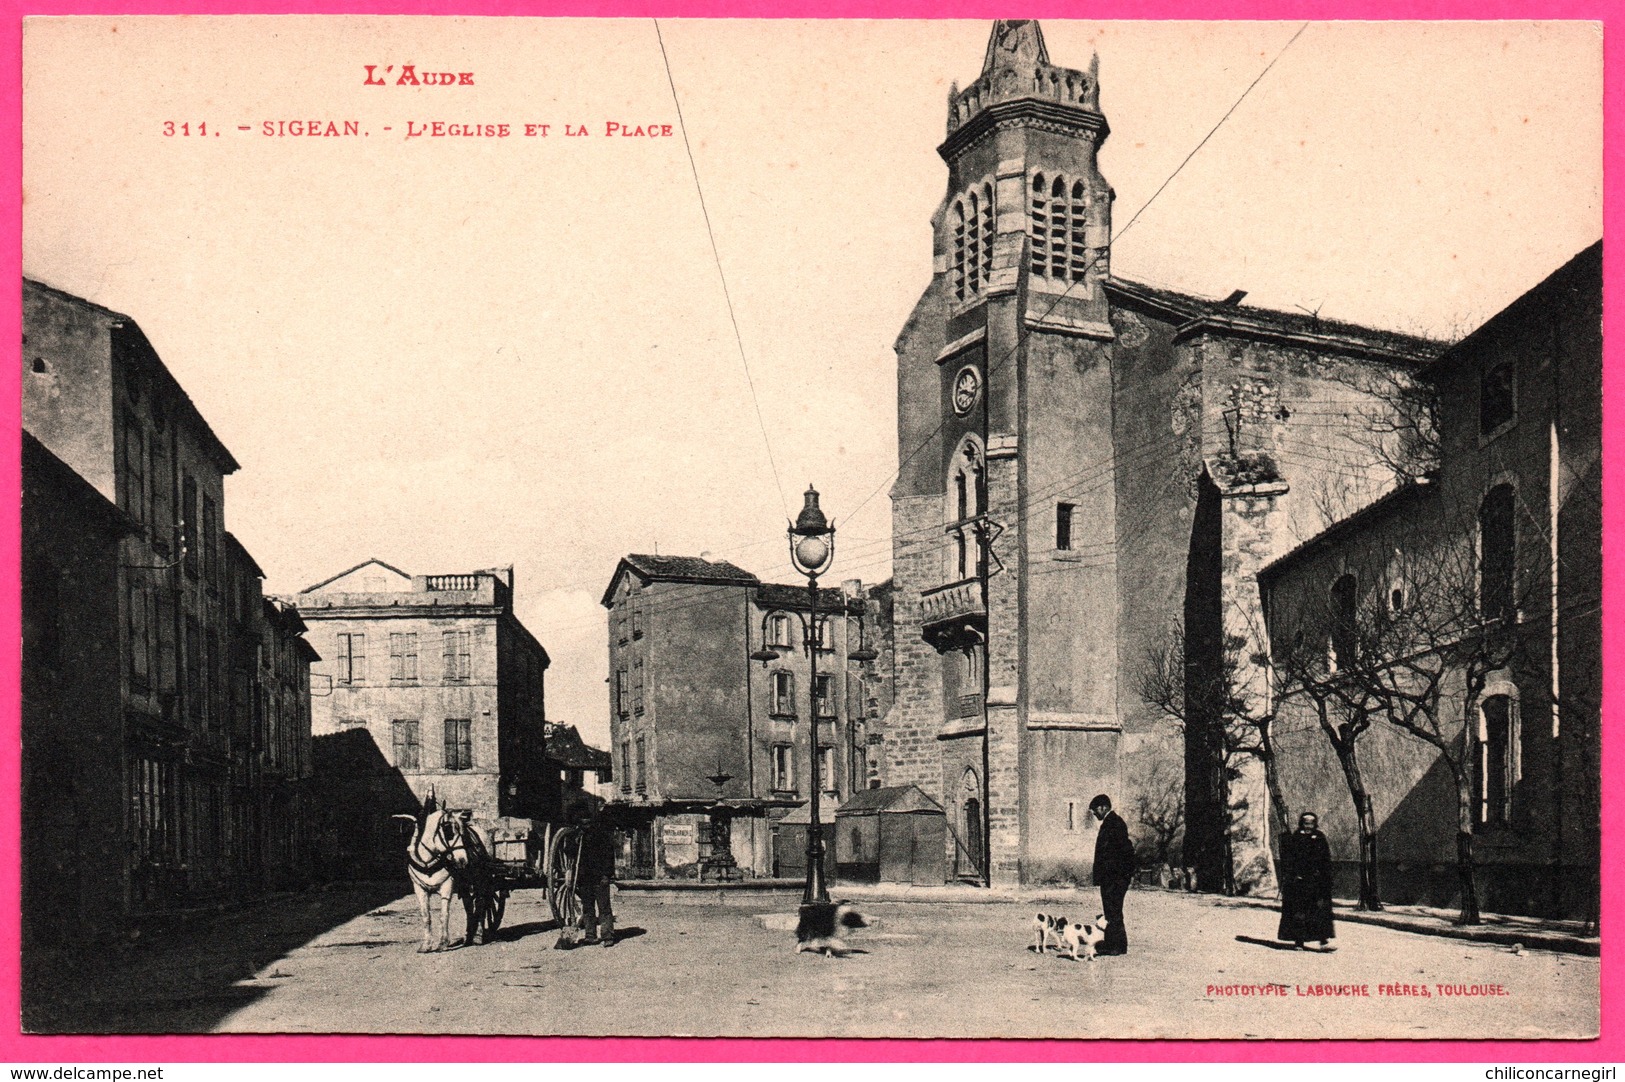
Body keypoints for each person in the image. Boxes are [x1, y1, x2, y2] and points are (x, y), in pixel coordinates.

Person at [557, 805, 618, 949]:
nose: (585, 825)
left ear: (592, 821)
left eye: (587, 822)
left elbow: (609, 856)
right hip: (584, 878)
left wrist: (607, 875)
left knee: (604, 908)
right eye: (583, 822)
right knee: (588, 908)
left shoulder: (601, 835)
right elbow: (569, 852)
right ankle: (590, 936)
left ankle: (607, 936)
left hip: (599, 877)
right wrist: (575, 842)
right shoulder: (578, 835)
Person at [1277, 812, 1336, 951]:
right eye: (1306, 823)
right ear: (1301, 823)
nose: (1308, 826)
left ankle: (1324, 941)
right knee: (1299, 912)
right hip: (1300, 881)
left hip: (1316, 881)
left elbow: (1325, 858)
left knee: (1319, 911)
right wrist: (1294, 875)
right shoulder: (1295, 838)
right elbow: (1289, 860)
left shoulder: (1320, 837)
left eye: (1311, 823)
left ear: (1315, 824)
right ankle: (1299, 942)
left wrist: (1326, 877)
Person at [1090, 794, 1135, 956]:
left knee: (1113, 911)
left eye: (1095, 811)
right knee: (1112, 911)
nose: (1095, 814)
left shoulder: (1114, 823)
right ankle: (1114, 944)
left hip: (1114, 878)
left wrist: (1118, 875)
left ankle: (1116, 946)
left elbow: (1123, 851)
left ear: (1103, 807)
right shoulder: (1111, 823)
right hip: (1112, 877)